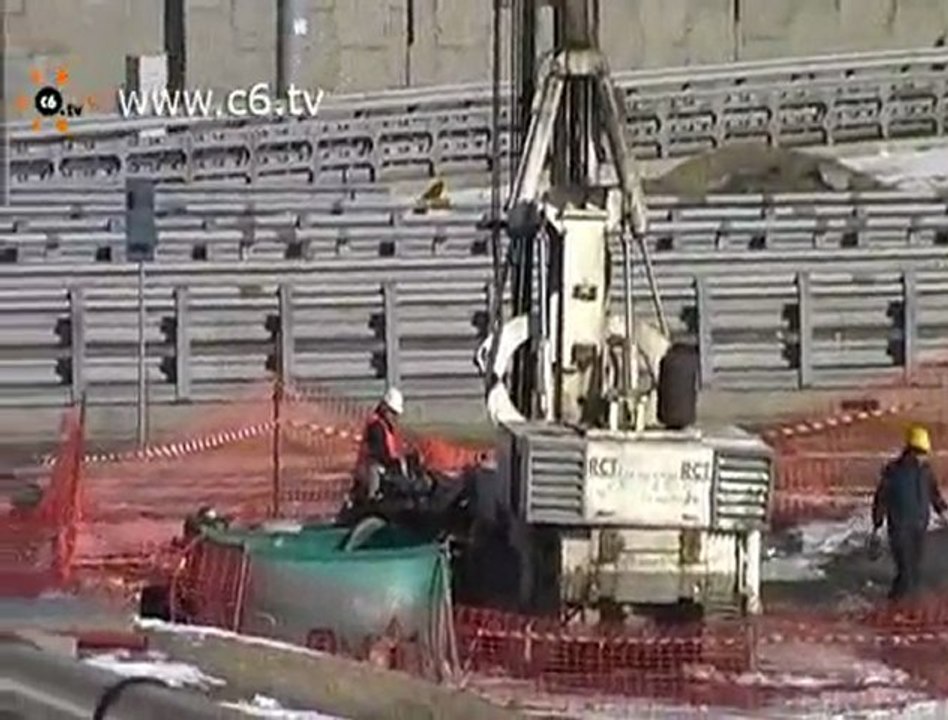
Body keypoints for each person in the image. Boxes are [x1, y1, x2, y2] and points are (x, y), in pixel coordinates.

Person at [870, 424, 948, 602]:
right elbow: (881, 499)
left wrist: (943, 512)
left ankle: (907, 603)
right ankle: (894, 603)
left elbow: (934, 494)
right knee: (905, 573)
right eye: (920, 453)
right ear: (911, 451)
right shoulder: (893, 472)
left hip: (919, 527)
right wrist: (876, 526)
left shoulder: (925, 471)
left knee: (915, 571)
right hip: (900, 530)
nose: (924, 457)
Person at [352, 387, 422, 503]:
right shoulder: (376, 427)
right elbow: (382, 454)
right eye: (393, 413)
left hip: (380, 470)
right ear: (385, 408)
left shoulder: (384, 425)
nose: (395, 417)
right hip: (373, 475)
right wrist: (399, 461)